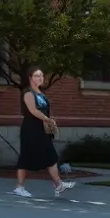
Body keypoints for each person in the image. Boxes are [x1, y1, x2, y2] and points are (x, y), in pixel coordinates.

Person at [12, 67, 76, 198]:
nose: (40, 78)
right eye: (36, 76)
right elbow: (33, 111)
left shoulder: (41, 94)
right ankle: (19, 187)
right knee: (26, 157)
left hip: (42, 130)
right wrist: (48, 120)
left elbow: (45, 111)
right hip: (30, 130)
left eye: (41, 76)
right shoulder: (28, 93)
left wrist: (49, 122)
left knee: (51, 156)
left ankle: (58, 185)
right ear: (30, 78)